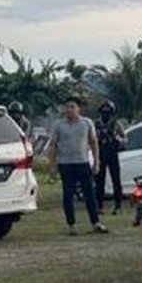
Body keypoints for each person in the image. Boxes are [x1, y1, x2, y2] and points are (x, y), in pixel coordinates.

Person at [46, 96, 108, 235]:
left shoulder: (86, 123)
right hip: (65, 164)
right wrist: (52, 165)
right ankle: (71, 225)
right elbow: (53, 146)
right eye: (67, 107)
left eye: (72, 107)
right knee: (68, 195)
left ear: (78, 108)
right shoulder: (59, 125)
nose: (69, 110)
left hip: (83, 163)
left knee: (89, 194)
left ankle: (95, 222)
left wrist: (97, 161)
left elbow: (93, 142)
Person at [94, 100, 127, 215]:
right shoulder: (96, 124)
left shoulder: (116, 124)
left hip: (112, 154)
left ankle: (118, 206)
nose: (105, 115)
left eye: (108, 112)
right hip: (100, 153)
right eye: (103, 112)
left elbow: (125, 139)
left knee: (116, 180)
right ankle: (99, 206)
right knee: (99, 181)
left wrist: (117, 139)